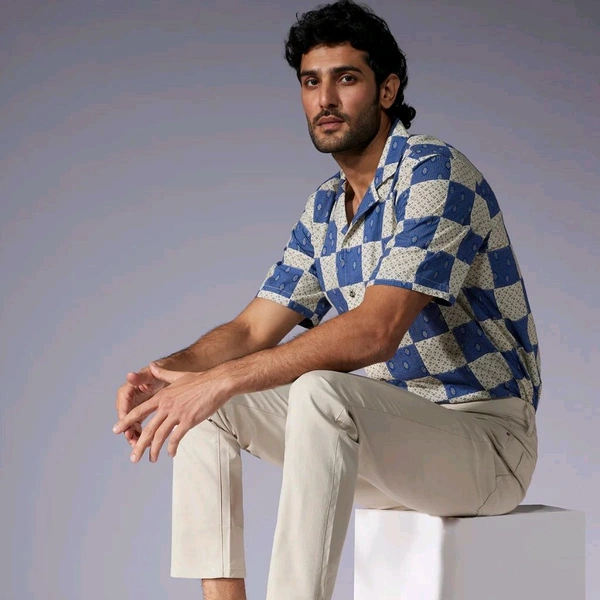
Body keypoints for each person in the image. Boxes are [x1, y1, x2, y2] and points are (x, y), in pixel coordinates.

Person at [113, 1, 542, 599]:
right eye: (311, 82)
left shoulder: (435, 174)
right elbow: (251, 330)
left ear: (387, 90)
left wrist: (223, 378)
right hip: (385, 442)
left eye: (346, 78)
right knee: (204, 407)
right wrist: (167, 375)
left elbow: (375, 331)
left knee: (316, 389)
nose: (326, 100)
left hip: (485, 443)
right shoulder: (324, 208)